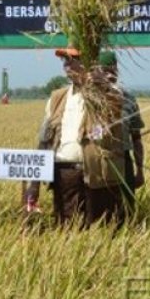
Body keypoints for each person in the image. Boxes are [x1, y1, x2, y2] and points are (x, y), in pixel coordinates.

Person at [25, 46, 126, 228]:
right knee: (67, 229)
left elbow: (116, 109)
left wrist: (100, 85)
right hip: (65, 175)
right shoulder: (57, 98)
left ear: (88, 63)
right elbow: (44, 141)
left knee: (100, 228)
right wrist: (34, 185)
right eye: (65, 61)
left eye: (72, 60)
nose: (67, 65)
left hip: (98, 175)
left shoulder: (108, 94)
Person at [99, 51, 145, 215]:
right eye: (105, 71)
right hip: (98, 161)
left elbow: (137, 138)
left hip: (123, 159)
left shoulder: (128, 99)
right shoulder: (89, 100)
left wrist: (140, 170)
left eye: (113, 70)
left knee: (126, 210)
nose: (110, 75)